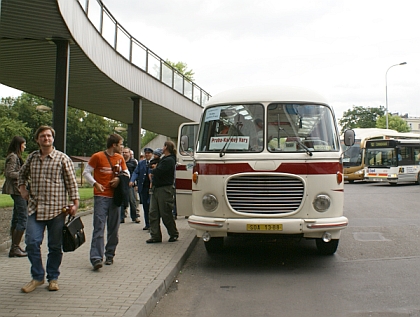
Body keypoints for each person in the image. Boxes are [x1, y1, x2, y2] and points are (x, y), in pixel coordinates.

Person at [18, 126, 80, 293]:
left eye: (48, 136)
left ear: (53, 138)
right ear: (37, 139)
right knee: (31, 243)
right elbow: (21, 175)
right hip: (35, 209)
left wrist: (75, 203)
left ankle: (53, 277)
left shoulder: (62, 159)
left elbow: (71, 183)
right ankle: (37, 276)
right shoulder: (32, 158)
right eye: (42, 136)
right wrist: (22, 189)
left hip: (57, 210)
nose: (45, 138)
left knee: (54, 246)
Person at [83, 134, 128, 270]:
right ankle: (96, 257)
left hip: (115, 197)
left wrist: (119, 179)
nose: (122, 147)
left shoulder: (120, 159)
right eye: (121, 144)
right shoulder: (97, 157)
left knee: (114, 228)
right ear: (114, 145)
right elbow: (86, 172)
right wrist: (95, 183)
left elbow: (126, 173)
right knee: (99, 227)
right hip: (101, 196)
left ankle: (110, 254)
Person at [146, 141, 179, 243]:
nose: (162, 148)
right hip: (157, 188)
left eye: (163, 146)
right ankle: (155, 235)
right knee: (153, 213)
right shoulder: (164, 159)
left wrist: (155, 169)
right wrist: (155, 168)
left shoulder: (169, 160)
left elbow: (159, 171)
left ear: (166, 147)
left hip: (165, 189)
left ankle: (173, 233)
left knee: (166, 213)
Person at [2, 136, 28, 257]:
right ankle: (15, 247)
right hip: (17, 191)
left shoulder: (15, 156)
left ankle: (14, 246)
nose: (25, 147)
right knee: (23, 217)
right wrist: (23, 174)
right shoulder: (13, 157)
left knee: (17, 217)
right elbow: (9, 173)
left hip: (16, 190)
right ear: (19, 145)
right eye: (23, 144)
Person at [130, 148, 153, 231]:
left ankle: (152, 224)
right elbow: (136, 172)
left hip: (151, 188)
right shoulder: (141, 163)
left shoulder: (154, 163)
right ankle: (147, 224)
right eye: (146, 153)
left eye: (149, 153)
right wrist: (132, 180)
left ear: (152, 154)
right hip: (143, 188)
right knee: (145, 207)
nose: (147, 154)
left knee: (151, 206)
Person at [120, 147, 140, 223]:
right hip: (121, 184)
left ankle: (134, 217)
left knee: (132, 201)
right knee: (122, 201)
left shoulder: (133, 162)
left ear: (129, 153)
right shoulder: (120, 161)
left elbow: (137, 173)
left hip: (130, 184)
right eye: (123, 152)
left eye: (126, 152)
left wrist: (135, 183)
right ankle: (121, 217)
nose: (124, 154)